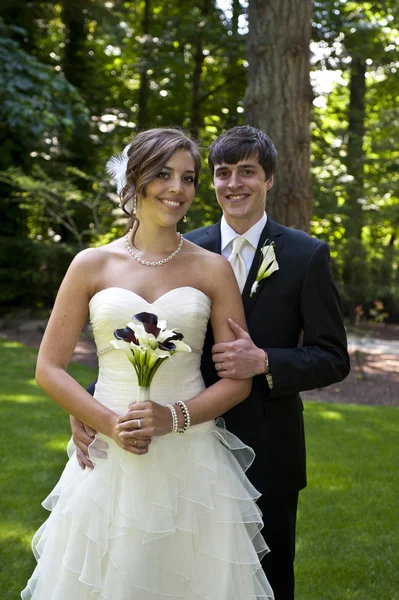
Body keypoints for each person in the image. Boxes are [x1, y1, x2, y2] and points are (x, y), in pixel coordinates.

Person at [72, 126, 350, 599]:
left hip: (267, 445)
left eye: (248, 172)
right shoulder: (178, 245)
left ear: (270, 180)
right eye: (223, 173)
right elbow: (136, 333)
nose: (234, 183)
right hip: (174, 445)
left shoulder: (306, 255)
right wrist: (90, 405)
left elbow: (332, 357)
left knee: (265, 577)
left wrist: (265, 360)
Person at [22, 128, 275, 600]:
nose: (177, 189)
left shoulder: (211, 269)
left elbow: (236, 381)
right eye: (163, 174)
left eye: (188, 177)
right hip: (108, 457)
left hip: (192, 456)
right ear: (135, 180)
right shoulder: (90, 265)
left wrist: (171, 418)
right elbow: (49, 368)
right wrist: (108, 422)